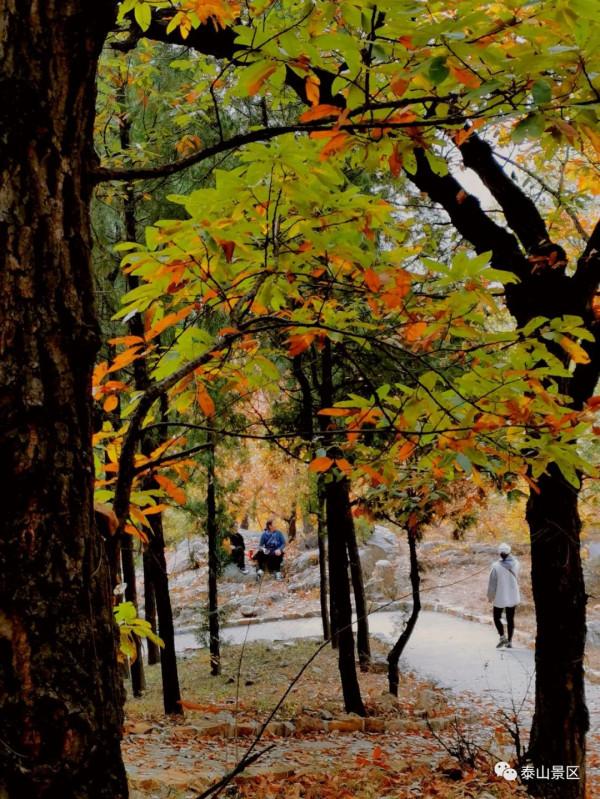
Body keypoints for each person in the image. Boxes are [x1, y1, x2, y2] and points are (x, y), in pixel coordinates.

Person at [487, 542, 521, 648]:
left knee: (496, 617)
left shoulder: (495, 566)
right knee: (510, 619)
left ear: (499, 553)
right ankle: (509, 642)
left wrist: (490, 597)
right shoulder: (517, 563)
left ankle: (502, 637)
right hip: (513, 594)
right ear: (509, 552)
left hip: (500, 596)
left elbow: (492, 584)